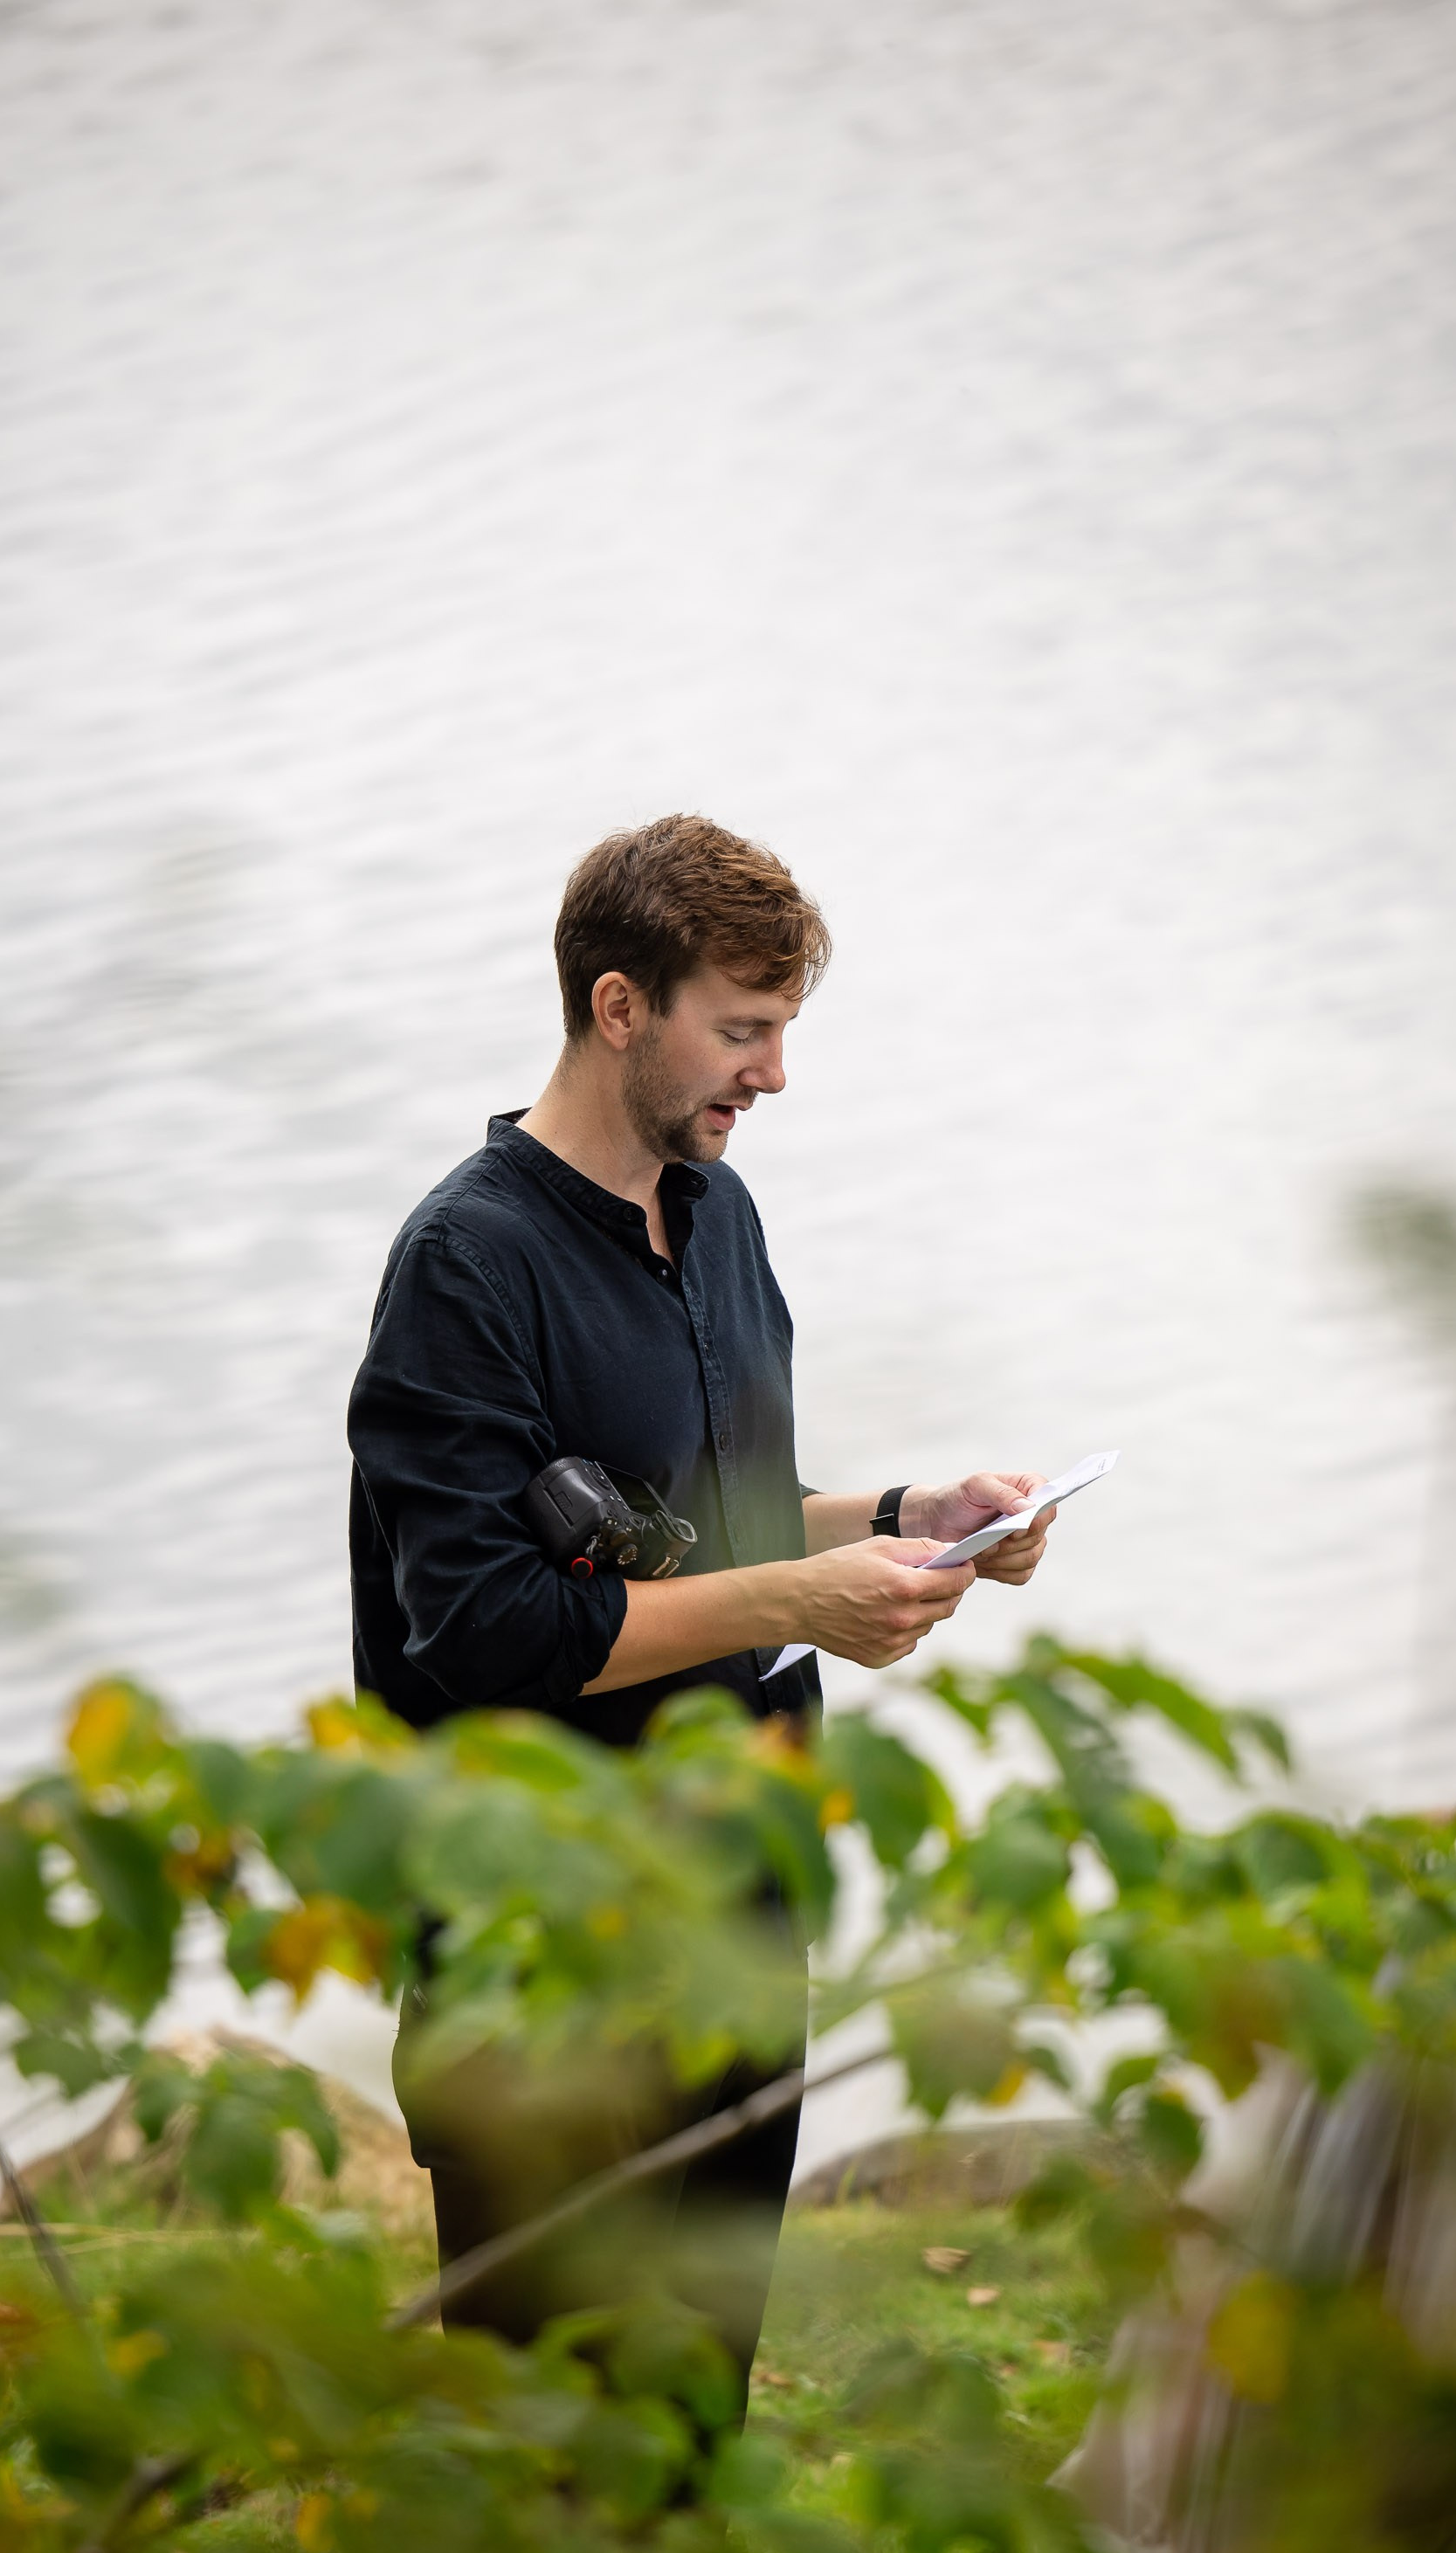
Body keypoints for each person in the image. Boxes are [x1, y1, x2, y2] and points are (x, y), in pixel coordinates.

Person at [347, 813, 1058, 2411]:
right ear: (618, 1009)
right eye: (743, 1031)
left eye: (783, 1031)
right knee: (550, 2446)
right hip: (547, 1951)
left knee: (689, 2417)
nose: (776, 1075)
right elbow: (492, 1629)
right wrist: (805, 1592)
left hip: (738, 1909)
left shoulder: (717, 1215)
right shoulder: (467, 1265)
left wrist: (903, 1523)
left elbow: (709, 1529)